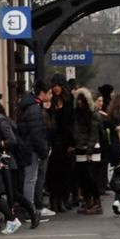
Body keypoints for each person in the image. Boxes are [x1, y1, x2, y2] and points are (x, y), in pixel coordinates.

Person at [0, 101, 40, 229]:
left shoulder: (2, 123)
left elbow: (12, 140)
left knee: (13, 193)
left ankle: (33, 211)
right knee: (2, 192)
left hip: (9, 162)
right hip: (5, 161)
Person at [16, 80, 53, 218]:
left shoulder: (28, 106)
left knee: (30, 179)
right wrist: (43, 151)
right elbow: (37, 133)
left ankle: (29, 209)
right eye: (49, 93)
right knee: (31, 179)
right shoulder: (34, 109)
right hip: (31, 149)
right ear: (42, 93)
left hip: (28, 147)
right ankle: (30, 210)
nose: (51, 96)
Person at [47, 73, 76, 213]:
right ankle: (54, 200)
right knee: (54, 173)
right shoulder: (50, 102)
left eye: (58, 85)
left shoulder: (69, 101)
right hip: (54, 141)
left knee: (65, 172)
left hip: (66, 141)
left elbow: (72, 123)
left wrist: (72, 143)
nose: (56, 88)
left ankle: (63, 199)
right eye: (54, 86)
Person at [73, 88, 104, 214]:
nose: (80, 102)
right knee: (83, 176)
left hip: (91, 148)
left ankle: (96, 202)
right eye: (78, 99)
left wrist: (89, 150)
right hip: (80, 147)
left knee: (92, 176)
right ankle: (88, 200)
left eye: (82, 99)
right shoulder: (77, 113)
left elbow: (94, 133)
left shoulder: (93, 113)